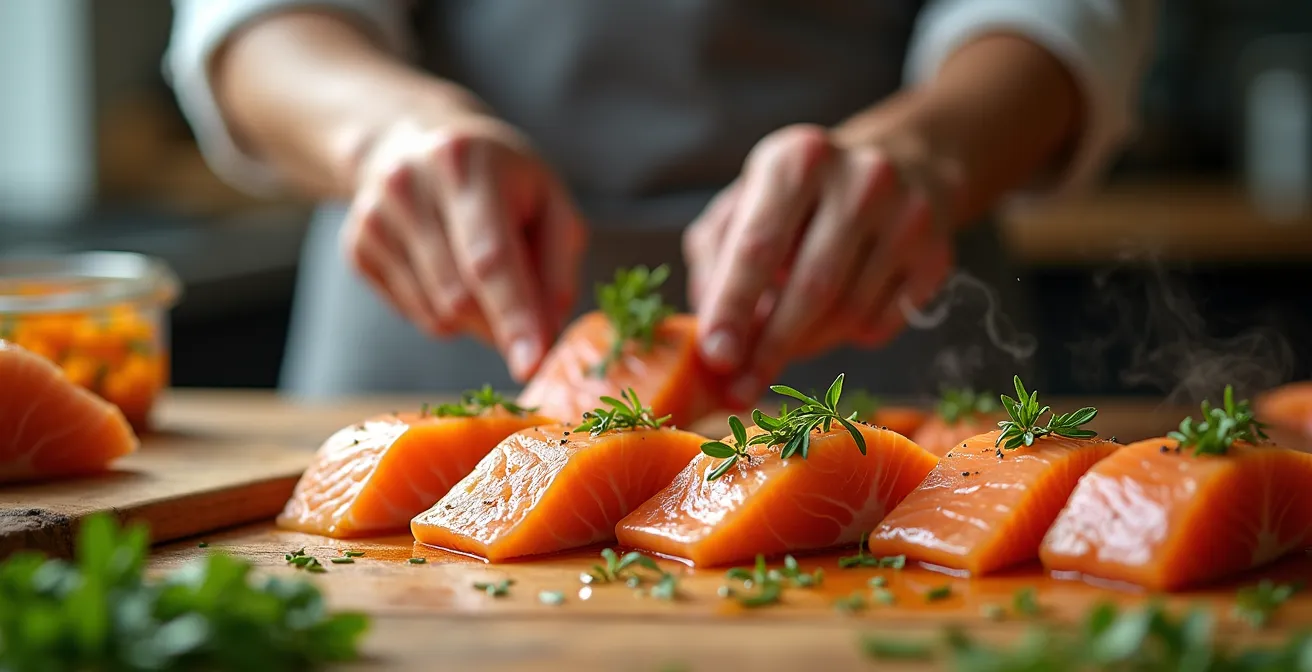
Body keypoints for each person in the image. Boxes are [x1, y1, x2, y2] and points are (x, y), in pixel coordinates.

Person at [164, 0, 1155, 405]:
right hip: (433, 333)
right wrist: (384, 134)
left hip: (872, 321)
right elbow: (251, 20)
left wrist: (929, 153)